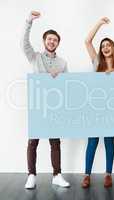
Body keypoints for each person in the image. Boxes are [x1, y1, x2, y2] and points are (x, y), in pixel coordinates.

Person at [22, 11, 70, 189]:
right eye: (49, 39)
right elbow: (24, 43)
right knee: (33, 141)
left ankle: (57, 174)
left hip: (55, 107)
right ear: (44, 41)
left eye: (55, 40)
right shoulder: (35, 57)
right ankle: (31, 175)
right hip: (37, 105)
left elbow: (67, 86)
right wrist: (29, 22)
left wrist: (60, 80)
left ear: (58, 43)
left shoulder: (63, 63)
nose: (52, 42)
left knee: (55, 142)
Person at [81, 17, 114, 188]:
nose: (105, 47)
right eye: (103, 46)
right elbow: (87, 41)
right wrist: (99, 23)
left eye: (108, 45)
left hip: (111, 110)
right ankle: (87, 175)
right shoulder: (96, 62)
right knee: (92, 141)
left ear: (113, 48)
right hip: (95, 108)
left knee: (109, 141)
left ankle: (108, 174)